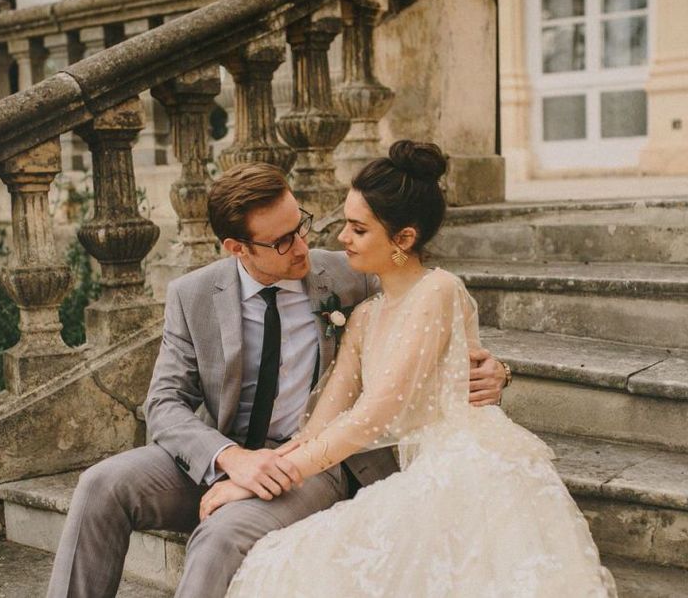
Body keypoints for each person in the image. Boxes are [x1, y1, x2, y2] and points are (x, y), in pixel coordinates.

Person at [46, 160, 507, 598]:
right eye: (283, 241)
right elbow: (164, 404)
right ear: (237, 248)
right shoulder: (193, 296)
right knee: (100, 484)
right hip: (223, 453)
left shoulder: (351, 273)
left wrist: (498, 371)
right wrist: (231, 459)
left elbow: (427, 316)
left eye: (300, 225)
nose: (303, 246)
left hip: (315, 462)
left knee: (221, 534)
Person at [217, 140, 617, 597]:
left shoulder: (439, 291)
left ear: (403, 239)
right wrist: (254, 477)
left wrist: (272, 478)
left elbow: (373, 416)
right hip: (422, 468)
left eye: (358, 229)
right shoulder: (365, 315)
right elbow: (319, 425)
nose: (341, 238)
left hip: (470, 462)